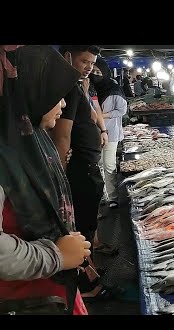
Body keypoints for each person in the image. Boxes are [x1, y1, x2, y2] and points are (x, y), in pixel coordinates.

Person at [0, 45, 91, 315]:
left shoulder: (33, 141)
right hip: (23, 299)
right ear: (32, 93)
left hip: (52, 288)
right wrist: (57, 255)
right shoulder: (6, 154)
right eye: (56, 96)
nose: (63, 104)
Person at [52, 45, 112, 297]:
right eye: (84, 61)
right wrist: (61, 172)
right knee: (81, 228)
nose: (89, 67)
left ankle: (91, 274)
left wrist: (101, 130)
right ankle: (87, 286)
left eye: (92, 62)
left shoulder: (78, 87)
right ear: (67, 58)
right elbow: (62, 134)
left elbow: (88, 115)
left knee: (87, 222)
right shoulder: (66, 89)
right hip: (78, 169)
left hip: (88, 165)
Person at [89, 57, 128, 209]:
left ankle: (113, 197)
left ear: (105, 72)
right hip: (95, 132)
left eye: (99, 71)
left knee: (109, 164)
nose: (96, 74)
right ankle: (103, 195)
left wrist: (102, 116)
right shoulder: (90, 88)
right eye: (94, 71)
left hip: (111, 132)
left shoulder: (114, 89)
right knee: (98, 164)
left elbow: (122, 110)